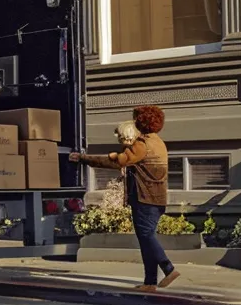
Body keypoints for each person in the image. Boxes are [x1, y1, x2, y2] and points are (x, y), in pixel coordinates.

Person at [70, 105, 179, 291]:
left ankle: (168, 268)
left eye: (136, 119)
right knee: (146, 239)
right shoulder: (159, 142)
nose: (134, 122)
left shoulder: (142, 144)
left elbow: (115, 162)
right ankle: (150, 282)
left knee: (146, 236)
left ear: (141, 122)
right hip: (159, 199)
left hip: (144, 198)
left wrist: (83, 158)